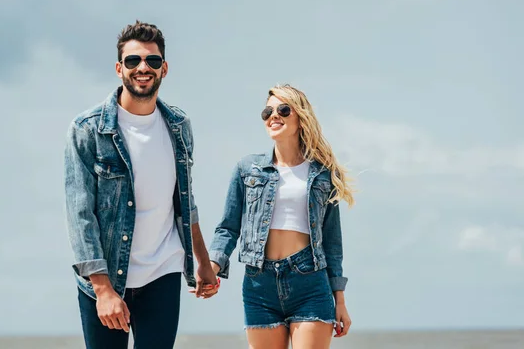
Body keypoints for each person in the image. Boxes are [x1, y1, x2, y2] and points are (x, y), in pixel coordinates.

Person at [64, 20, 219, 349]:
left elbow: (184, 201)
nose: (143, 68)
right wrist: (104, 290)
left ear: (165, 68)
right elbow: (81, 216)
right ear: (120, 68)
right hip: (105, 281)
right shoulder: (87, 130)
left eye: (152, 60)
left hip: (162, 273)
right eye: (133, 60)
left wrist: (202, 261)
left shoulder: (178, 125)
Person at [208, 84, 354, 349]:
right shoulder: (247, 169)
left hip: (309, 281)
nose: (273, 116)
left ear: (300, 117)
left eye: (283, 109)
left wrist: (340, 301)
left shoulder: (322, 174)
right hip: (258, 284)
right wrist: (212, 266)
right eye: (268, 111)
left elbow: (332, 243)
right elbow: (228, 228)